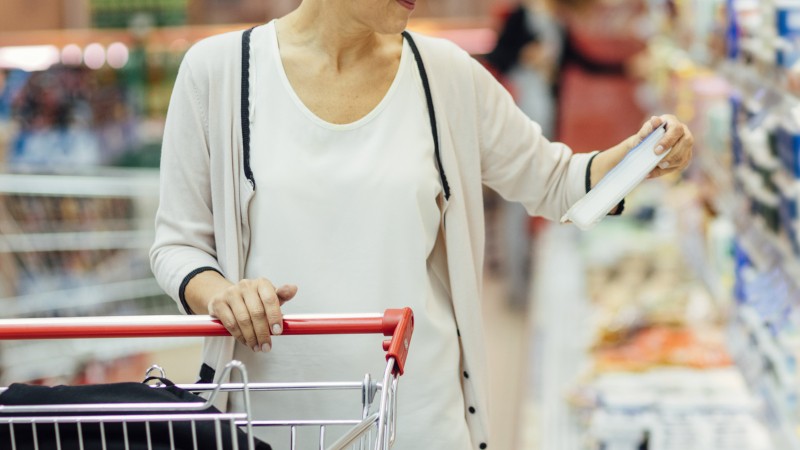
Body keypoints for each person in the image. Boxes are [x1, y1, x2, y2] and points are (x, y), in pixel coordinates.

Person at [149, 0, 693, 448]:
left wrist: (637, 161)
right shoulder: (219, 72)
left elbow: (555, 183)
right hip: (274, 421)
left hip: (418, 420)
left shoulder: (447, 76)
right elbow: (177, 243)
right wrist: (220, 293)